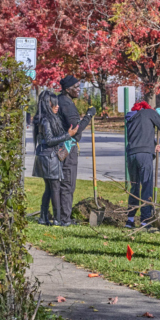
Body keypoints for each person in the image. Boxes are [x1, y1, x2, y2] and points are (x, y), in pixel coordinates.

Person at [33, 91, 78, 226]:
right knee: (55, 187)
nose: (57, 106)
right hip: (49, 157)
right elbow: (50, 140)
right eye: (54, 103)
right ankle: (58, 220)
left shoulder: (45, 118)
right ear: (47, 104)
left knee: (49, 188)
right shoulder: (46, 120)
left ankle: (43, 217)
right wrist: (68, 135)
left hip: (45, 156)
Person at [124, 101, 160, 228]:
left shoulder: (131, 118)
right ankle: (145, 220)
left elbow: (141, 135)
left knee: (134, 187)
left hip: (131, 155)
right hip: (144, 155)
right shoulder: (149, 113)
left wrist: (153, 146)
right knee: (146, 185)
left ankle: (130, 219)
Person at [57, 75, 95, 226]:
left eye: (80, 87)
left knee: (59, 182)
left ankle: (58, 215)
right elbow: (76, 130)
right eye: (76, 87)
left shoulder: (59, 100)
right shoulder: (66, 104)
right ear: (67, 89)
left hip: (58, 145)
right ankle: (64, 219)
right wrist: (89, 115)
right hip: (67, 148)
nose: (79, 90)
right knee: (68, 183)